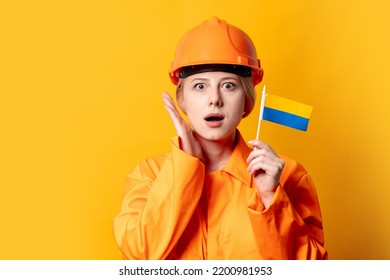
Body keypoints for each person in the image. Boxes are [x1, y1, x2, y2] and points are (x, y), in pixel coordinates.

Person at [113, 17, 327, 260]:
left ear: (247, 99)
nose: (214, 99)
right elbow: (142, 258)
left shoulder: (289, 175)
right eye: (200, 87)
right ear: (182, 99)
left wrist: (271, 200)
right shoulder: (148, 176)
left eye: (228, 85)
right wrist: (185, 166)